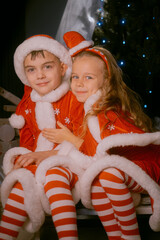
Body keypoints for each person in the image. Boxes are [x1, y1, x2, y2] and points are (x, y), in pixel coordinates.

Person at [38, 31, 160, 240]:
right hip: (121, 168)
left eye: (88, 77)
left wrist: (71, 139)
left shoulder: (106, 111)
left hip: (145, 165)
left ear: (106, 81)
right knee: (95, 184)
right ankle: (116, 236)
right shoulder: (88, 108)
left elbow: (100, 154)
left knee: (107, 174)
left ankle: (130, 236)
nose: (79, 83)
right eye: (75, 77)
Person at [0, 34, 84, 239]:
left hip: (70, 163)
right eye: (31, 70)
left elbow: (84, 140)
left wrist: (47, 156)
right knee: (22, 185)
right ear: (24, 74)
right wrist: (25, 158)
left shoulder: (74, 98)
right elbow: (28, 140)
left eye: (47, 66)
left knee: (55, 178)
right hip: (39, 161)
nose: (40, 75)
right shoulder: (30, 104)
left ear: (63, 68)